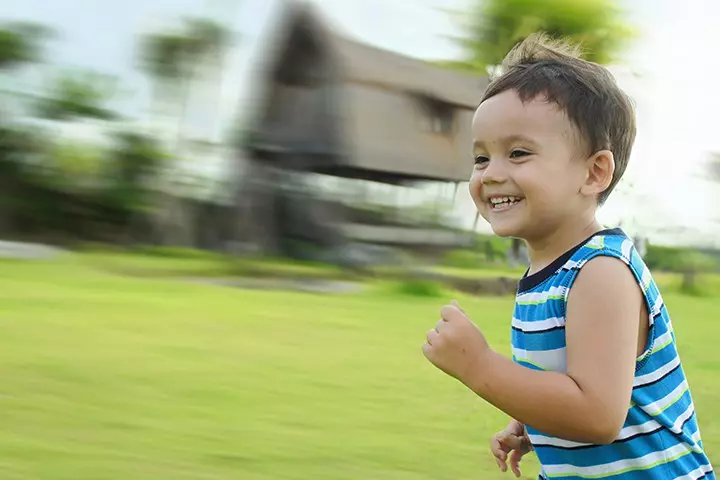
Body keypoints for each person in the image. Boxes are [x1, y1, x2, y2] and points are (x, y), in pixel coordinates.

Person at [421, 33, 715, 480]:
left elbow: (598, 415)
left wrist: (480, 366)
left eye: (518, 153)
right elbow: (571, 376)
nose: (492, 174)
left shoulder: (600, 272)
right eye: (481, 159)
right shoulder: (550, 272)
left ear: (594, 172)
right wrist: (530, 420)